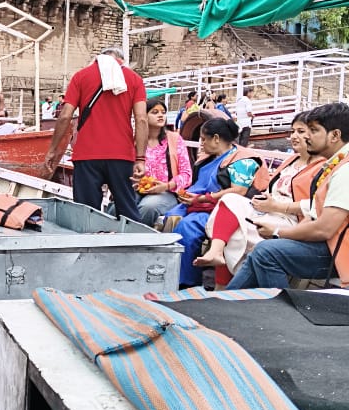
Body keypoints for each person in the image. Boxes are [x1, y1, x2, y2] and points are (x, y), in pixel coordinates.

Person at [227, 102, 349, 290]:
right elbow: (314, 213)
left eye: (313, 131)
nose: (307, 137)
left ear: (335, 135)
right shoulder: (335, 164)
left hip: (339, 252)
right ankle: (226, 301)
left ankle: (283, 308)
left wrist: (278, 232)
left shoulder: (345, 170)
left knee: (266, 252)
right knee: (259, 252)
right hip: (326, 244)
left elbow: (324, 229)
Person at [194, 113, 324, 287]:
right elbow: (270, 189)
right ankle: (216, 254)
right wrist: (265, 200)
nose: (294, 136)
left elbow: (315, 206)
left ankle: (223, 286)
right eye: (292, 131)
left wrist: (278, 206)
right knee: (230, 199)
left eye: (301, 132)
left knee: (233, 231)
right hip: (269, 210)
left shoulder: (322, 166)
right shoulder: (291, 160)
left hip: (291, 219)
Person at [43, 46, 147, 222]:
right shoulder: (134, 79)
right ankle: (132, 238)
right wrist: (140, 158)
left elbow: (65, 116)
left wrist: (52, 150)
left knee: (86, 215)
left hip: (87, 154)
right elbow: (142, 119)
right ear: (121, 60)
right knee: (128, 211)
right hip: (121, 154)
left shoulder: (81, 76)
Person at [163, 116, 267, 288]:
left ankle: (186, 282)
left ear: (216, 139)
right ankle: (170, 272)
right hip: (199, 204)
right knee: (170, 217)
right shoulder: (208, 158)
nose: (201, 144)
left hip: (221, 210)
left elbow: (239, 191)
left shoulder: (243, 160)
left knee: (186, 228)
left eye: (204, 139)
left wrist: (204, 198)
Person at [134, 99, 192, 227]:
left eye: (163, 112)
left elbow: (187, 174)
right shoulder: (135, 141)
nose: (161, 115)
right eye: (155, 112)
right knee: (120, 205)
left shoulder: (175, 139)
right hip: (139, 190)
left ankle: (135, 239)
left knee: (148, 207)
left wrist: (166, 186)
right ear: (143, 116)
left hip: (167, 192)